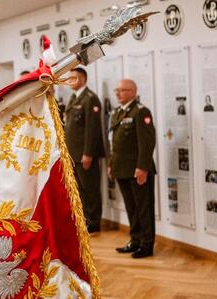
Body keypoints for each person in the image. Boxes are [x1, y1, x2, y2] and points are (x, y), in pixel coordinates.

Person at [108, 79, 156, 258]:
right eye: (117, 90)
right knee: (131, 208)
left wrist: (142, 167)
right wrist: (112, 164)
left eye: (122, 90)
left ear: (133, 91)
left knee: (144, 209)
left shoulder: (141, 112)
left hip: (137, 170)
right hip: (121, 169)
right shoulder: (117, 112)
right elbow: (115, 142)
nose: (118, 93)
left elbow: (147, 142)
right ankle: (135, 240)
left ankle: (146, 245)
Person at [63, 67, 105, 234]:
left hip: (85, 155)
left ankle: (94, 222)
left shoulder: (90, 99)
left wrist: (88, 154)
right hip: (74, 154)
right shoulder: (73, 98)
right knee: (80, 190)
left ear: (82, 79)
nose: (69, 81)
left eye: (73, 78)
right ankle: (86, 219)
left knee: (91, 189)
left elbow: (92, 130)